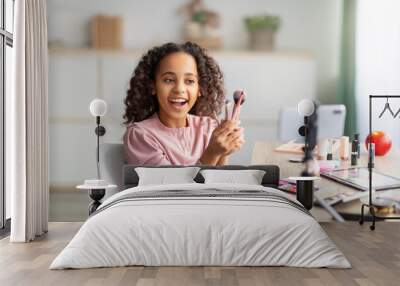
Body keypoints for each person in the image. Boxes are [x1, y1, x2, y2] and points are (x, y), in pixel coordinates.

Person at [123, 42, 244, 166]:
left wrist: (224, 151)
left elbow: (220, 183)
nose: (179, 89)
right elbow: (171, 185)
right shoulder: (141, 135)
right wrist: (212, 153)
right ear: (153, 86)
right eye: (169, 80)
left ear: (200, 89)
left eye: (189, 81)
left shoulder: (210, 127)